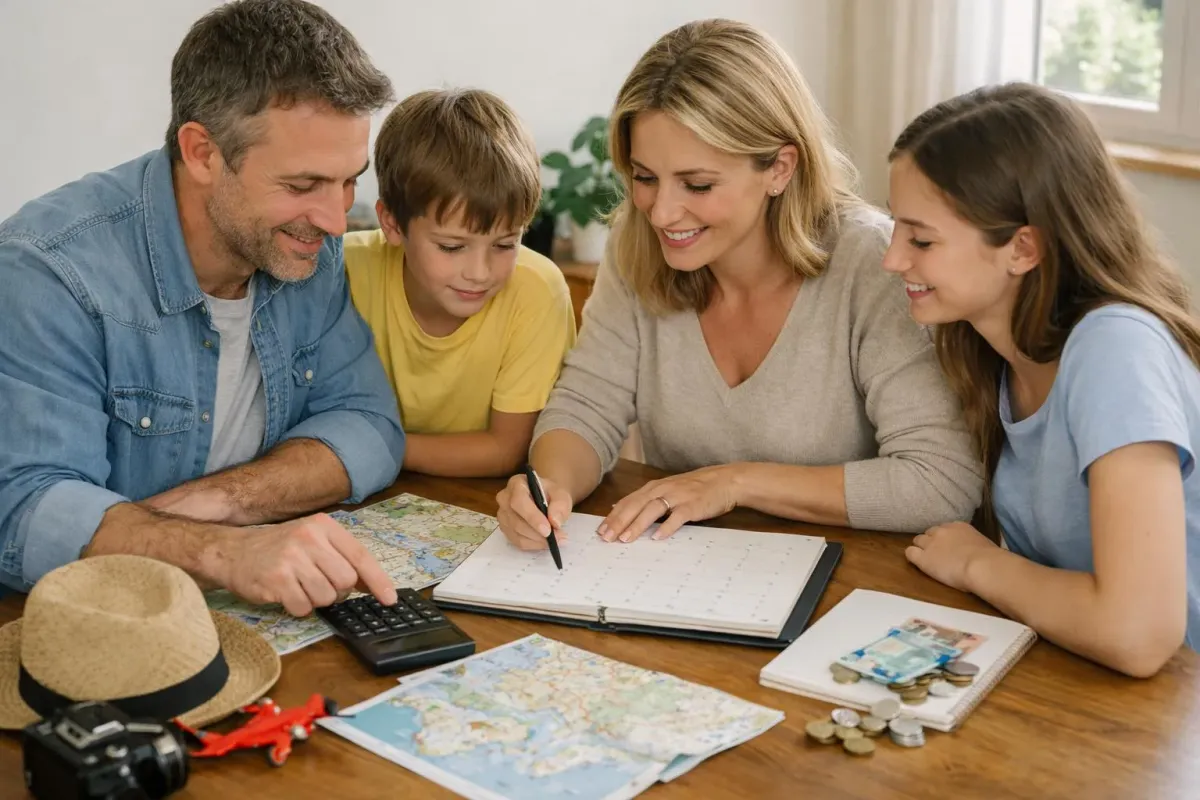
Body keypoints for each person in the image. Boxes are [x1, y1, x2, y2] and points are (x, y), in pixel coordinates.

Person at [495, 19, 983, 548]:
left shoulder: (874, 263)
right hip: (679, 571)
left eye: (697, 184)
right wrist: (550, 487)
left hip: (850, 581)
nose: (661, 213)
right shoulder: (636, 246)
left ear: (779, 167)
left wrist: (735, 483)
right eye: (644, 177)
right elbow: (587, 406)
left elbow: (941, 482)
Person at [0, 0, 406, 616]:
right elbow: (26, 508)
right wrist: (222, 553)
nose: (333, 219)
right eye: (302, 186)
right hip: (78, 632)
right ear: (202, 153)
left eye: (349, 179)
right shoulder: (48, 269)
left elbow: (368, 426)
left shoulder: (305, 248)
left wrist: (225, 503)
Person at [883, 82, 1200, 676]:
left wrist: (979, 565)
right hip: (1095, 687)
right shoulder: (991, 351)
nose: (893, 259)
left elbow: (1139, 634)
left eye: (921, 238)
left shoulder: (1116, 350)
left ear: (1023, 248)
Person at [344, 89, 576, 477]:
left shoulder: (537, 290)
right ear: (392, 224)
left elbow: (506, 450)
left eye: (505, 244)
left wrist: (368, 445)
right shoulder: (344, 269)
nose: (480, 272)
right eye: (452, 247)